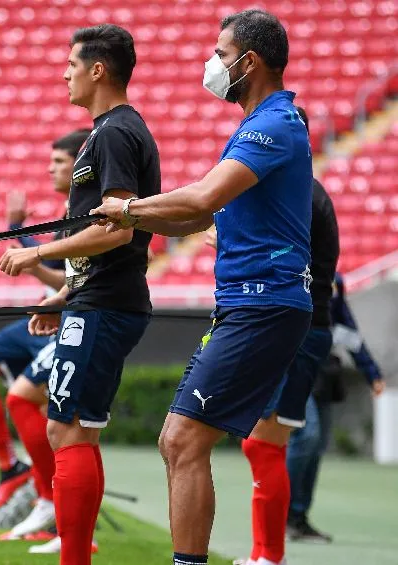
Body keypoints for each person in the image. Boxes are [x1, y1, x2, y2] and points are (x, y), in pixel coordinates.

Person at [92, 10, 314, 565]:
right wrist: (133, 220)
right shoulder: (257, 126)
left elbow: (200, 201)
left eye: (220, 53)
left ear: (250, 61)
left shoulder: (272, 125)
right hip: (247, 306)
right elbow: (196, 221)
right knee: (179, 440)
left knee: (184, 440)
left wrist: (130, 206)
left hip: (263, 306)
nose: (212, 64)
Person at [0, 23, 159, 565]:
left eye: (70, 64)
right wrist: (66, 292)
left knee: (66, 429)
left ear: (97, 70)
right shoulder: (111, 130)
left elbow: (119, 228)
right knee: (75, 429)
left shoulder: (114, 133)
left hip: (107, 306)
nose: (63, 74)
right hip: (96, 300)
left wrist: (34, 253)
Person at [222, 105, 337, 565]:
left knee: (264, 442)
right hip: (304, 325)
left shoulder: (302, 196)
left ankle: (269, 557)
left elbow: (286, 255)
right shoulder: (305, 193)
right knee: (265, 441)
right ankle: (265, 555)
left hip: (296, 326)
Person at [0, 130, 89, 518]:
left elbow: (70, 281)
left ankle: (48, 498)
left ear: (80, 163)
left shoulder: (87, 214)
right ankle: (10, 468)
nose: (50, 169)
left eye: (59, 162)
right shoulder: (69, 213)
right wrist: (22, 240)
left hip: (68, 319)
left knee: (28, 402)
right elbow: (55, 269)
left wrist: (26, 254)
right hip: (46, 314)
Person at [285, 272, 385, 543]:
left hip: (322, 371)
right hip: (292, 368)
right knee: (307, 435)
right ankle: (284, 513)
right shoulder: (290, 267)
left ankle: (299, 517)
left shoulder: (334, 280)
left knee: (317, 445)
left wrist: (371, 371)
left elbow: (346, 328)